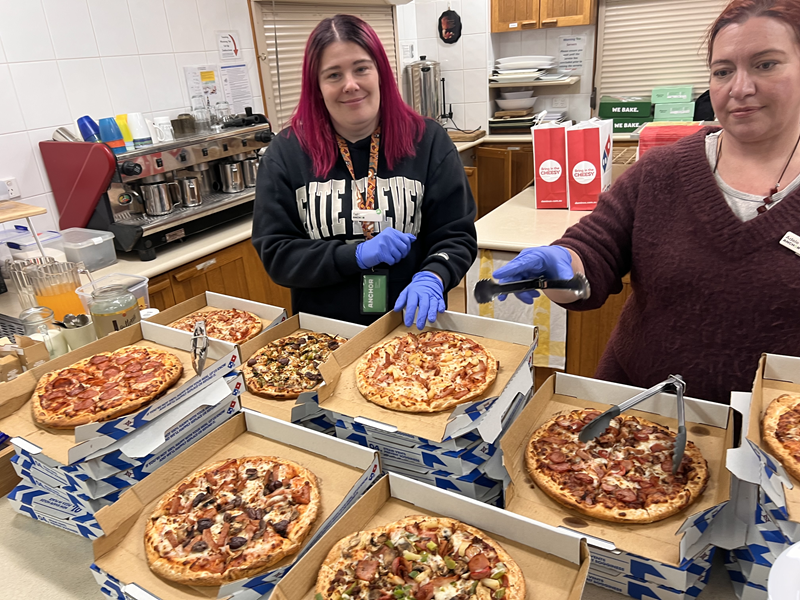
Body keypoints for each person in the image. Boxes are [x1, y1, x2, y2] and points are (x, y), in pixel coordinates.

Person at [494, 0, 800, 404]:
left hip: (776, 438)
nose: (740, 87)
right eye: (723, 71)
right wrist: (562, 265)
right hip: (636, 417)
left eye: (765, 64)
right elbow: (594, 251)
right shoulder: (663, 171)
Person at [252, 14, 477, 327]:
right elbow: (277, 253)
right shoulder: (286, 153)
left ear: (380, 73)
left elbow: (456, 235)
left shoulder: (427, 141)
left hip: (411, 329)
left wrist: (435, 275)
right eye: (333, 75)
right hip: (323, 337)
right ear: (317, 86)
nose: (350, 85)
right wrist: (353, 255)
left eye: (361, 68)